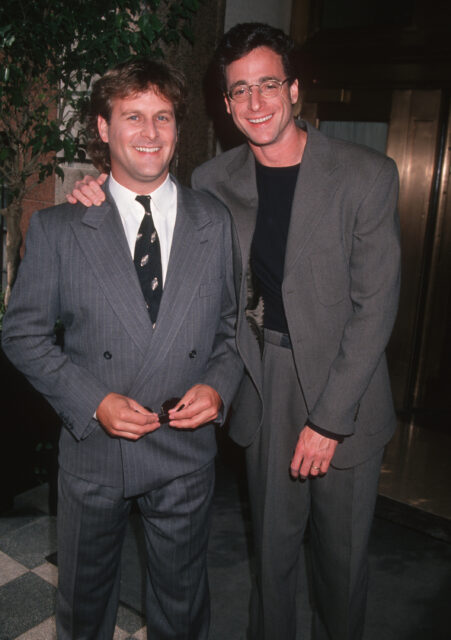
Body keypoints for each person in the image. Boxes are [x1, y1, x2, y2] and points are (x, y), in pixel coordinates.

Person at [66, 22, 401, 640]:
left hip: (343, 388)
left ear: (295, 89)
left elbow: (375, 308)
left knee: (340, 567)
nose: (256, 103)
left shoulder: (366, 175)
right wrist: (96, 192)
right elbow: (156, 208)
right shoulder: (215, 181)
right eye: (240, 90)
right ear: (226, 104)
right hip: (260, 382)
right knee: (271, 562)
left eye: (268, 84)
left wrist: (328, 421)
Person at [2, 58, 242, 640]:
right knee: (85, 607)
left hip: (185, 452)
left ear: (178, 128)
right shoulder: (61, 227)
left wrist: (217, 385)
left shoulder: (215, 221)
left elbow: (231, 331)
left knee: (182, 608)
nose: (150, 132)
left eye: (163, 116)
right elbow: (22, 333)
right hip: (94, 455)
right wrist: (93, 400)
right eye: (132, 116)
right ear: (104, 128)